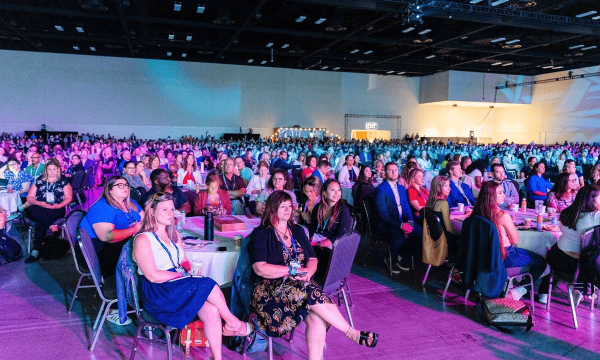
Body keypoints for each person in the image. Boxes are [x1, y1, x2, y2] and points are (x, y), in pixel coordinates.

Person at [249, 191, 378, 359]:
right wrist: (292, 271)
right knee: (309, 290)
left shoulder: (296, 231)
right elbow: (260, 268)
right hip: (271, 292)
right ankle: (350, 332)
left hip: (299, 286)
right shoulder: (261, 234)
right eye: (283, 206)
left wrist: (307, 272)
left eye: (290, 206)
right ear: (272, 209)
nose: (288, 210)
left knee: (316, 318)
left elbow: (312, 258)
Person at [133, 193, 252, 360]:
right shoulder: (143, 239)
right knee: (208, 283)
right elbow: (152, 275)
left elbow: (183, 260)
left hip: (174, 284)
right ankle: (233, 322)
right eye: (165, 209)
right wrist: (183, 276)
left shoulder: (173, 234)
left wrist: (190, 271)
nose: (170, 213)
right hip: (158, 292)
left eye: (172, 209)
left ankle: (217, 358)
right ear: (152, 212)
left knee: (211, 310)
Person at [473, 181, 547, 300]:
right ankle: (518, 291)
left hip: (483, 256)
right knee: (541, 262)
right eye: (500, 193)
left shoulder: (477, 213)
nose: (504, 195)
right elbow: (515, 240)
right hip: (505, 255)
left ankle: (512, 287)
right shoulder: (502, 215)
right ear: (491, 196)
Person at [538, 185, 600, 305]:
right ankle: (579, 288)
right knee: (589, 259)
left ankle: (544, 293)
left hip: (558, 259)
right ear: (592, 200)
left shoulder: (567, 213)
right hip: (578, 266)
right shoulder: (595, 216)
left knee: (552, 252)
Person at [79, 176, 143, 277]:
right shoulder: (102, 207)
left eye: (126, 185)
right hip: (99, 252)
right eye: (120, 185)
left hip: (120, 245)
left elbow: (144, 220)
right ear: (109, 190)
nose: (125, 187)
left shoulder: (131, 203)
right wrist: (135, 229)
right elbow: (107, 237)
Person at [373, 162, 423, 272]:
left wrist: (410, 221)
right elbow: (383, 214)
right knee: (399, 238)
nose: (393, 172)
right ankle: (391, 260)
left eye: (395, 170)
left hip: (403, 221)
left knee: (421, 234)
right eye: (390, 170)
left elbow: (406, 207)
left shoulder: (400, 188)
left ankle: (401, 257)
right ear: (385, 172)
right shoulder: (381, 189)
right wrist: (401, 225)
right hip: (387, 223)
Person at [24, 159, 73, 263]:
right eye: (49, 169)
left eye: (54, 169)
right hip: (40, 207)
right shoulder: (40, 180)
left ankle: (35, 250)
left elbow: (69, 198)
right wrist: (39, 203)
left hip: (57, 209)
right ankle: (52, 226)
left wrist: (59, 205)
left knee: (41, 221)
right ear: (46, 170)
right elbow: (30, 197)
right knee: (32, 207)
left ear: (58, 170)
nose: (52, 172)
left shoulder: (63, 181)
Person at [308, 179, 353, 279]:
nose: (337, 193)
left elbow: (342, 235)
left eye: (338, 190)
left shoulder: (343, 210)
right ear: (324, 192)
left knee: (311, 258)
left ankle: (313, 285)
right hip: (316, 242)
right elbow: (312, 228)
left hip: (332, 247)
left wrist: (323, 243)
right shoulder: (318, 207)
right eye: (332, 190)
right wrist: (309, 239)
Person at [425, 176, 461, 256]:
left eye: (449, 185)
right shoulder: (443, 203)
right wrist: (461, 233)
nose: (449, 189)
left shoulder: (429, 202)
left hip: (433, 237)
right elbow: (449, 228)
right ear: (438, 188)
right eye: (446, 186)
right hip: (444, 238)